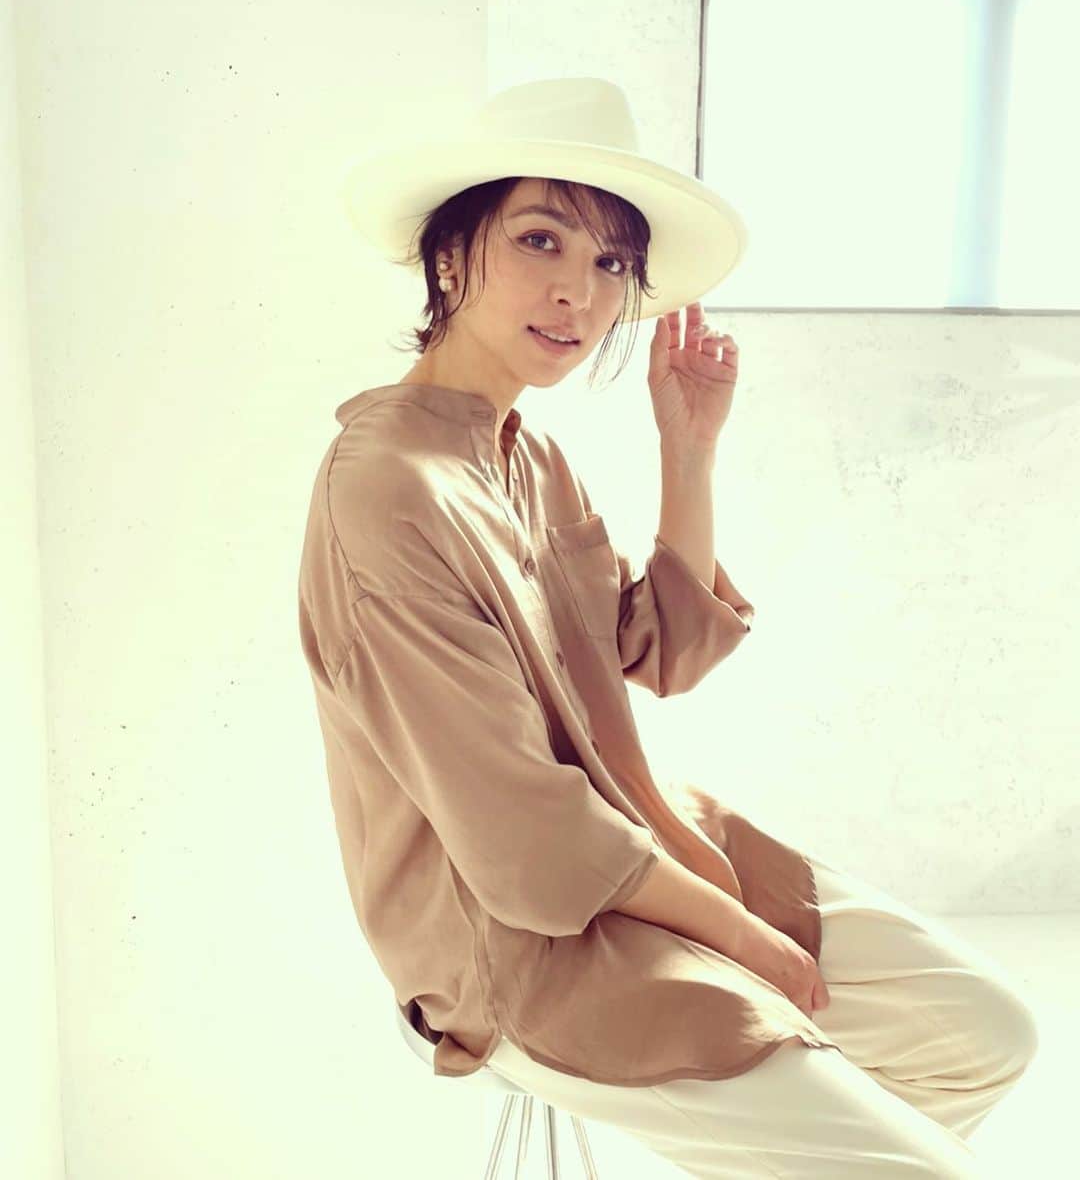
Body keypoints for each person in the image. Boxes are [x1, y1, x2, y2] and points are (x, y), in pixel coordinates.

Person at [297, 77, 1038, 1177]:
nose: (579, 292)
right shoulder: (387, 487)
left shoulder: (527, 457)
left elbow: (659, 654)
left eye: (609, 263)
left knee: (987, 1035)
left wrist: (687, 449)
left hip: (647, 841)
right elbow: (519, 839)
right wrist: (744, 939)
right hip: (519, 940)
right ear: (450, 257)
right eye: (540, 240)